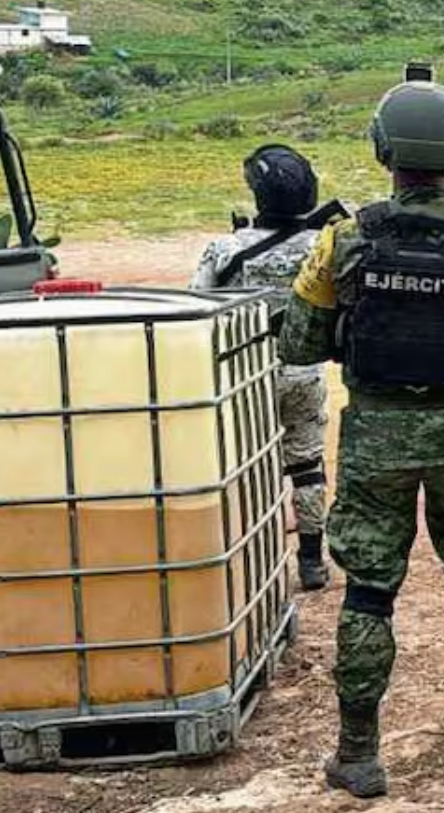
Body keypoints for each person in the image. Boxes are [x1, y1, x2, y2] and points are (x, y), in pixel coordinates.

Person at [278, 79, 444, 797]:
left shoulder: (343, 240)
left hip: (375, 440)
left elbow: (298, 343)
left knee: (369, 593)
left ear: (383, 150)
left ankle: (358, 754)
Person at [191, 143, 331, 591]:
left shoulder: (225, 248)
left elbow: (198, 306)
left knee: (251, 468)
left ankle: (260, 563)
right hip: (304, 371)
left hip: (246, 374)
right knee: (307, 465)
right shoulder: (322, 246)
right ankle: (312, 560)